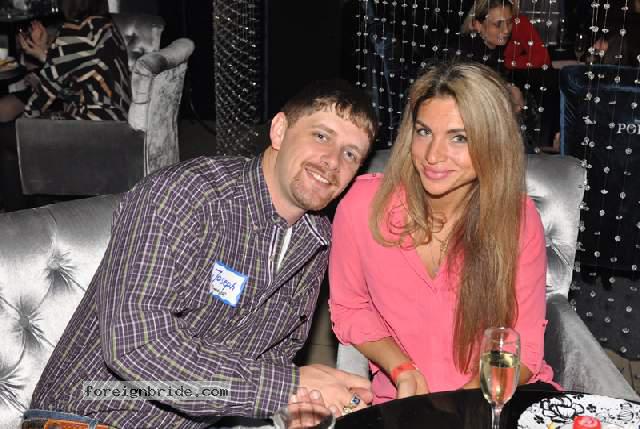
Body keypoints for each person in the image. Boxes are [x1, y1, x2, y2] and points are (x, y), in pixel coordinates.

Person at [22, 80, 377, 428]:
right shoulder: (185, 196)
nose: (333, 161)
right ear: (280, 131)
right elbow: (133, 347)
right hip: (87, 416)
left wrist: (295, 407)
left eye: (350, 154)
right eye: (321, 136)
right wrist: (287, 387)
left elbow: (266, 364)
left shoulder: (315, 241)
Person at [329, 61, 556, 404]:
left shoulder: (517, 220)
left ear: (492, 143)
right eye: (423, 132)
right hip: (404, 404)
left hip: (494, 401)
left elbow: (524, 347)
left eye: (459, 138)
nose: (433, 156)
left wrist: (453, 410)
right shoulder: (363, 206)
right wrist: (401, 368)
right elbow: (350, 307)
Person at [0, 0, 130, 122]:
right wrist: (43, 52)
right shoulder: (107, 26)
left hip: (94, 125)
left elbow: (43, 96)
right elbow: (79, 69)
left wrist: (24, 124)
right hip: (119, 121)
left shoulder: (76, 30)